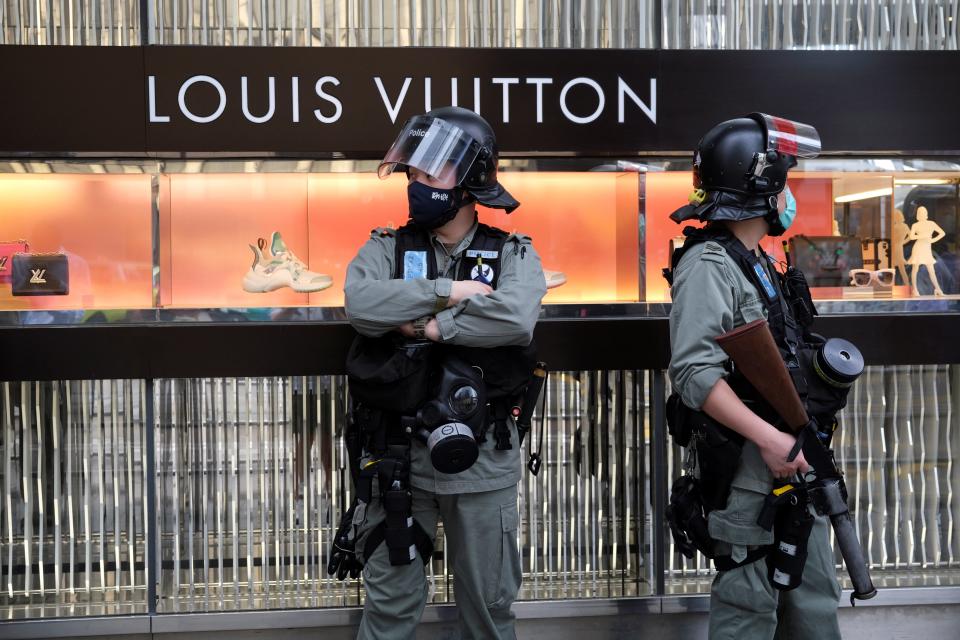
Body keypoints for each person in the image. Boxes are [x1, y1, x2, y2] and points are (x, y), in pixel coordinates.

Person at [331, 106, 547, 640]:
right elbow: (361, 303)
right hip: (399, 462)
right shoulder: (387, 247)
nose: (416, 184)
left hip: (482, 468)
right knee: (388, 609)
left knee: (488, 611)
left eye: (430, 173)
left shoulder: (512, 253)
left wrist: (429, 328)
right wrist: (447, 292)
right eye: (414, 173)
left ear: (471, 178)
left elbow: (515, 318)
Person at [664, 114, 843, 639]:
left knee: (813, 604)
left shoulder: (761, 260)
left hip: (795, 460)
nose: (787, 195)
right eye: (782, 180)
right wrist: (771, 440)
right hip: (749, 472)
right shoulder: (708, 264)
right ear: (760, 185)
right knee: (749, 609)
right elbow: (695, 373)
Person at [907, 205, 946, 296]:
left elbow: (942, 233)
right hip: (918, 247)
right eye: (919, 213)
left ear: (926, 214)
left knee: (931, 270)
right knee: (915, 268)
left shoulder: (931, 224)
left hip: (926, 248)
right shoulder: (915, 225)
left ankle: (938, 289)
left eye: (923, 213)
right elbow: (912, 237)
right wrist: (923, 236)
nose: (921, 214)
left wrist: (932, 240)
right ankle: (915, 290)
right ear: (917, 214)